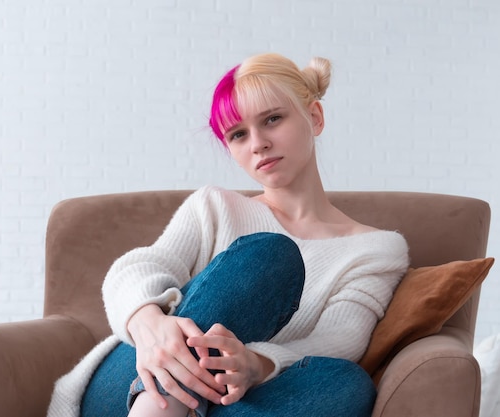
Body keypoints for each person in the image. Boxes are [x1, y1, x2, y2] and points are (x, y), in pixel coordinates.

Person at [47, 52, 409, 417]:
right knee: (269, 255)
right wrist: (150, 325)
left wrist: (256, 364)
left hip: (234, 397)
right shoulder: (216, 206)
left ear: (314, 117)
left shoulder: (376, 249)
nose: (258, 143)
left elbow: (341, 338)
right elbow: (138, 267)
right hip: (136, 383)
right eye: (238, 134)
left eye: (272, 119)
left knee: (347, 384)